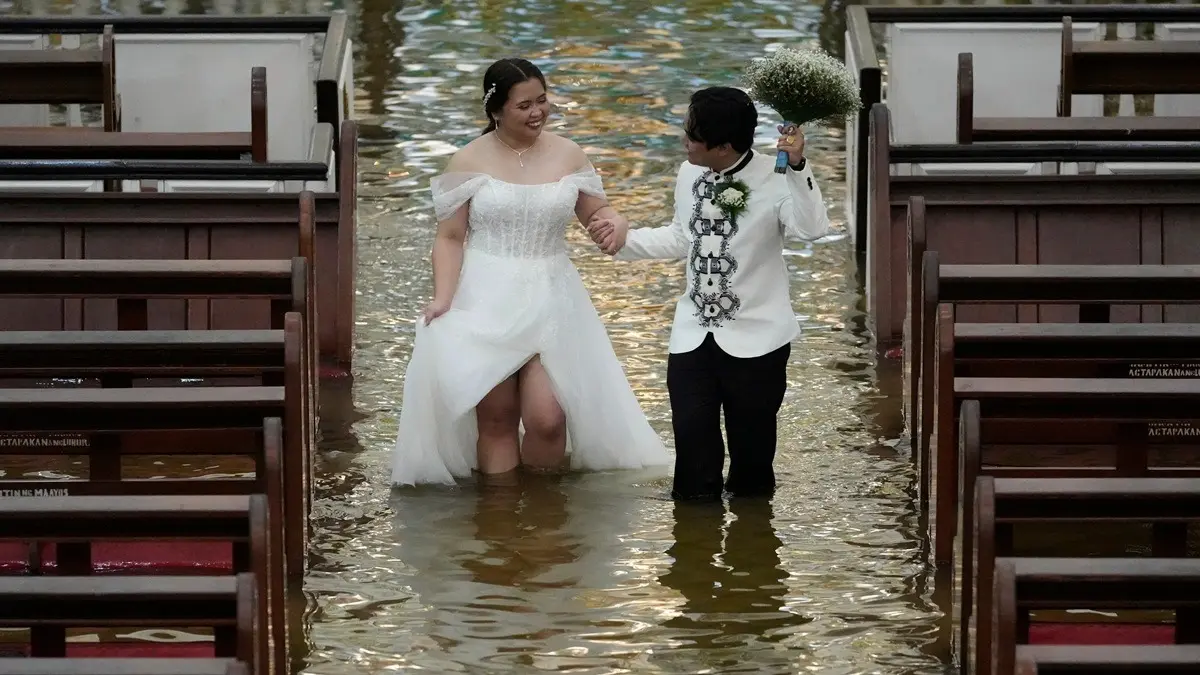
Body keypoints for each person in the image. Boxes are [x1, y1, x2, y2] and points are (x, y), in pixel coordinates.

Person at [391, 57, 669, 486]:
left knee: (548, 419)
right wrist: (443, 298)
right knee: (497, 418)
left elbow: (599, 211)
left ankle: (543, 519)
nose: (537, 112)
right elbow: (449, 238)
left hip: (552, 293)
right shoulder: (468, 160)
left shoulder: (569, 153)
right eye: (524, 105)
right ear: (496, 110)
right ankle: (500, 522)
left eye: (542, 101)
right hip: (486, 295)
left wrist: (618, 223)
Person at [587, 86, 830, 501]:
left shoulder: (776, 179)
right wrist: (622, 241)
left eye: (692, 135)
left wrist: (798, 167)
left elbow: (813, 229)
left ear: (723, 145)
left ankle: (752, 553)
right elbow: (684, 237)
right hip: (693, 336)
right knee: (692, 461)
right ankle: (692, 555)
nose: (684, 141)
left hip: (759, 341)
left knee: (752, 469)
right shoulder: (689, 172)